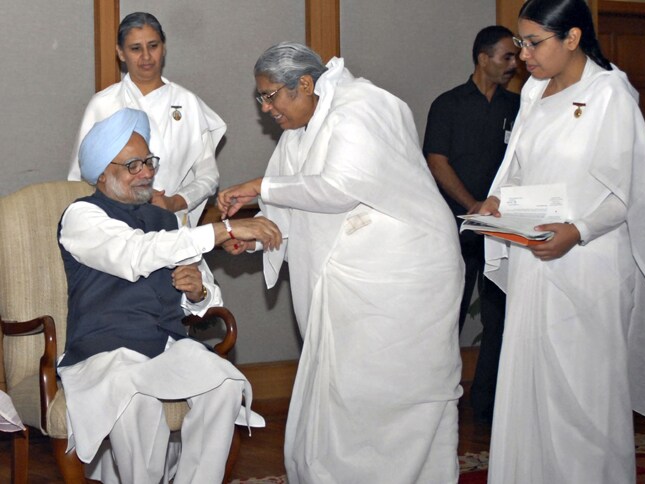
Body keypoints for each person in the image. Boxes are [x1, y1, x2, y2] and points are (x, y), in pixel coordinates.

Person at [217, 42, 464, 483]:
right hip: (352, 280)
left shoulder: (362, 106)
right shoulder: (300, 127)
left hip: (400, 279)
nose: (265, 107)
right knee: (343, 398)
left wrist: (259, 186)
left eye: (271, 95)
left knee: (390, 396)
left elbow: (338, 188)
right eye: (262, 97)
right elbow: (293, 205)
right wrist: (255, 242)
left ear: (306, 84)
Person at [477, 1, 645, 482]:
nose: (524, 56)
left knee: (584, 395)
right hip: (535, 256)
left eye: (534, 43)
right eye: (520, 43)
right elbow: (516, 166)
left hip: (588, 262)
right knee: (532, 385)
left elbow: (628, 194)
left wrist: (579, 231)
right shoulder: (533, 92)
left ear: (572, 38)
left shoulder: (610, 93)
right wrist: (496, 201)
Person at [57, 108, 281, 484]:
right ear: (102, 173)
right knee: (136, 402)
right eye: (132, 165)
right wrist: (222, 230)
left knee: (225, 384)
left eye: (148, 161)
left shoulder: (168, 221)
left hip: (165, 347)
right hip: (107, 353)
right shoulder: (82, 216)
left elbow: (209, 300)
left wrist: (197, 293)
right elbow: (136, 254)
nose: (146, 172)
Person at [423, 25, 519, 424]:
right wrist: (471, 205)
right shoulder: (448, 104)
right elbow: (436, 160)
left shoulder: (517, 107)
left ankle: (490, 405)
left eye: (517, 57)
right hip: (455, 228)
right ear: (483, 58)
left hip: (501, 230)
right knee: (450, 315)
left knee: (500, 317)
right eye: (507, 57)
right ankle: (437, 400)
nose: (515, 64)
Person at [68, 12, 225, 228]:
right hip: (115, 226)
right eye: (135, 49)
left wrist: (174, 202)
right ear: (120, 53)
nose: (146, 57)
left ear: (164, 47)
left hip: (174, 223)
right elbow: (79, 178)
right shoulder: (103, 104)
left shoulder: (187, 102)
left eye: (153, 46)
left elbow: (208, 175)